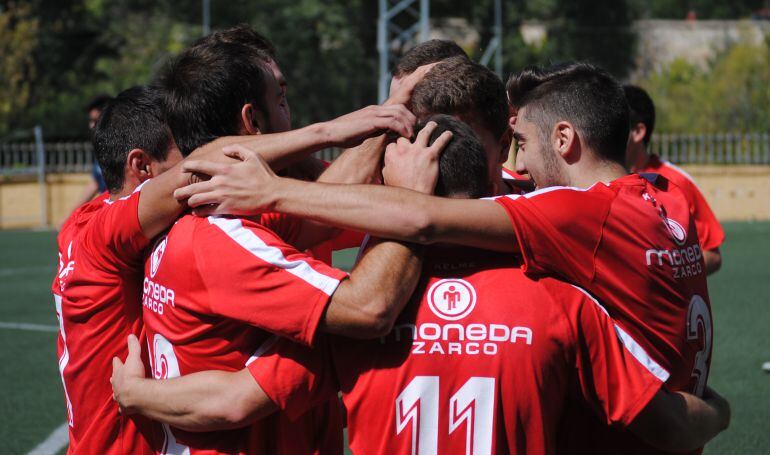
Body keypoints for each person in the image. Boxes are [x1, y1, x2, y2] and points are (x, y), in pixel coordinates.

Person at [175, 62, 716, 454]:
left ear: (565, 139)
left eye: (521, 143)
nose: (520, 166)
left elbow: (422, 219)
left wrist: (270, 190)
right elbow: (667, 421)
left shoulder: (575, 219)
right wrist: (717, 410)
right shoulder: (652, 215)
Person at [143, 32, 433, 454]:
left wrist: (389, 115)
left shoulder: (193, 214)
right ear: (252, 121)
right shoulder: (222, 237)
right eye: (280, 99)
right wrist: (414, 197)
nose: (289, 112)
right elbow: (368, 308)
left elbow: (324, 205)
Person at [52, 86, 186, 454]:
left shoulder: (82, 221)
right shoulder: (109, 231)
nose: (189, 154)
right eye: (183, 147)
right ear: (141, 166)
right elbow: (193, 174)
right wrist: (322, 133)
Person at [624, 84, 725, 274]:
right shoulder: (592, 178)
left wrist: (663, 275)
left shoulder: (676, 183)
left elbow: (711, 254)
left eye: (614, 126)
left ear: (637, 132)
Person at [409, 55, 532, 195]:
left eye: (458, 144)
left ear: (504, 146)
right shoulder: (397, 189)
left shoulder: (537, 205)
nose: (433, 157)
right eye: (428, 139)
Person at [64, 94, 111, 216]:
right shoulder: (101, 150)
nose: (91, 125)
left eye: (95, 121)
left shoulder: (124, 150)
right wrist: (71, 216)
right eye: (91, 121)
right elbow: (96, 183)